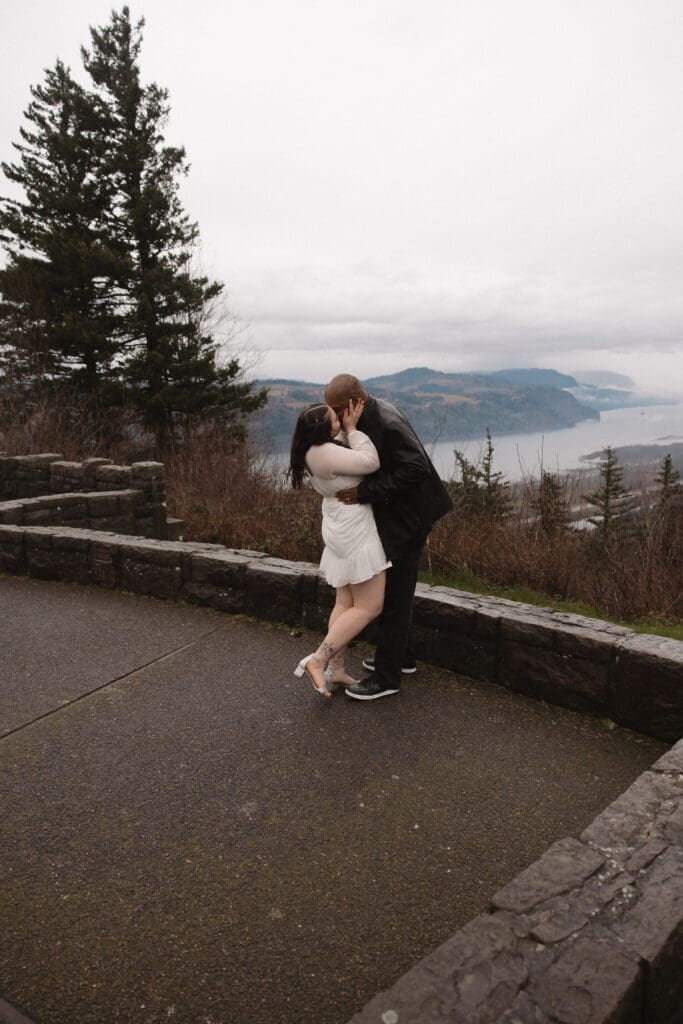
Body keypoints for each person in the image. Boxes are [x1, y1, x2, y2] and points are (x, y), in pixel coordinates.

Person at [324, 373, 453, 700]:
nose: (335, 417)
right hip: (404, 517)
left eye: (338, 409)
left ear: (355, 401)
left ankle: (387, 677)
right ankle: (401, 657)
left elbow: (417, 469)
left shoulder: (385, 423)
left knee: (394, 595)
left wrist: (364, 492)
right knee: (397, 589)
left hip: (409, 520)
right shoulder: (367, 419)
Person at [289, 399, 391, 699]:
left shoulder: (311, 450)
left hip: (338, 525)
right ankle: (319, 660)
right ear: (324, 429)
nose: (339, 420)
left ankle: (337, 669)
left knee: (345, 603)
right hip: (355, 531)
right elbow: (371, 462)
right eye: (334, 418)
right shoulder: (325, 453)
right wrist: (353, 429)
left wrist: (343, 431)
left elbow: (339, 453)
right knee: (369, 606)